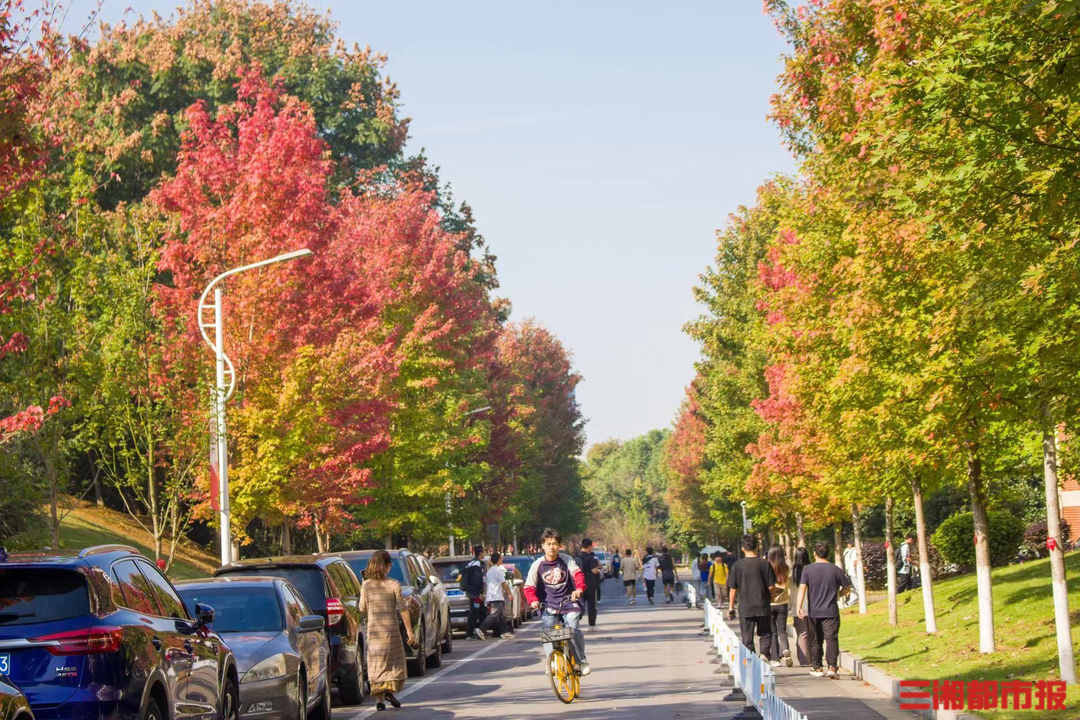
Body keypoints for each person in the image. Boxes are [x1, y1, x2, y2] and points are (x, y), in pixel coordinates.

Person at [524, 528, 591, 676]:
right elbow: (528, 587)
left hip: (569, 601)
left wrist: (579, 589)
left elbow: (578, 574)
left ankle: (581, 661)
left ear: (559, 545)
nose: (552, 547)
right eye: (549, 544)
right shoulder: (537, 565)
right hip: (548, 604)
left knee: (573, 626)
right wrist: (534, 601)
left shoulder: (566, 560)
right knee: (548, 631)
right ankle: (552, 661)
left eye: (555, 543)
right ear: (543, 545)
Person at [360, 550, 418, 711]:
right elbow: (402, 609)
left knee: (376, 663)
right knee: (392, 663)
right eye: (390, 564)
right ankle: (389, 691)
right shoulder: (393, 584)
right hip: (391, 631)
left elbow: (362, 608)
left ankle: (379, 699)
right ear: (386, 566)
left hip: (374, 632)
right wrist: (409, 631)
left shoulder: (366, 585)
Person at [796, 541, 852, 679]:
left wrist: (799, 606)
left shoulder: (807, 569)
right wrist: (838, 594)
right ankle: (832, 667)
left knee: (816, 639)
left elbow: (802, 588)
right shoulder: (836, 569)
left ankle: (817, 667)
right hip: (831, 611)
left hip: (814, 611)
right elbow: (847, 587)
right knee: (831, 639)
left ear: (814, 554)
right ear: (828, 553)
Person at [727, 534, 776, 660]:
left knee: (747, 637)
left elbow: (733, 588)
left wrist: (731, 607)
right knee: (765, 633)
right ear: (757, 547)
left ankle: (751, 660)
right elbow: (771, 587)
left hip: (745, 607)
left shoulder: (737, 566)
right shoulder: (765, 564)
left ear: (743, 548)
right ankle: (764, 653)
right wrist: (771, 598)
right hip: (762, 605)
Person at [767, 544, 793, 668]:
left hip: (770, 604)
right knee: (782, 630)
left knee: (773, 632)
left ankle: (775, 659)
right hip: (783, 604)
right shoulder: (786, 569)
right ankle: (785, 649)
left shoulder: (767, 568)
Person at [477, 552, 514, 639]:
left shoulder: (490, 570)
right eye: (501, 558)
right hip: (496, 596)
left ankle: (504, 632)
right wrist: (509, 593)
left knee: (501, 615)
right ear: (498, 560)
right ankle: (481, 629)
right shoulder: (498, 570)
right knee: (494, 614)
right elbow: (504, 584)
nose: (502, 560)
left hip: (492, 595)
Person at [791, 546, 811, 666]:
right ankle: (813, 658)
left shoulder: (792, 571)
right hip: (811, 606)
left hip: (796, 607)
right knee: (812, 634)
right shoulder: (810, 569)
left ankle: (803, 660)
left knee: (802, 634)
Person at [462, 544, 488, 639]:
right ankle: (469, 634)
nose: (484, 553)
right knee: (474, 612)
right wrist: (480, 593)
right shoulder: (477, 565)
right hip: (475, 593)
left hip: (473, 592)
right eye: (484, 552)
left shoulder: (472, 563)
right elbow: (478, 580)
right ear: (480, 553)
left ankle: (481, 630)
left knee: (482, 611)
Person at [578, 538, 602, 630]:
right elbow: (594, 571)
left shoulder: (577, 557)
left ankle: (575, 624)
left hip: (579, 585)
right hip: (590, 585)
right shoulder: (590, 557)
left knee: (579, 605)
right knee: (591, 606)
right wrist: (598, 568)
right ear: (589, 547)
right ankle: (591, 626)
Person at [842, 540, 858, 607]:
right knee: (858, 588)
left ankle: (849, 601)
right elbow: (855, 562)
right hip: (854, 572)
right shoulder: (854, 551)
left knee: (853, 587)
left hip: (848, 571)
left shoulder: (846, 551)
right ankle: (850, 602)